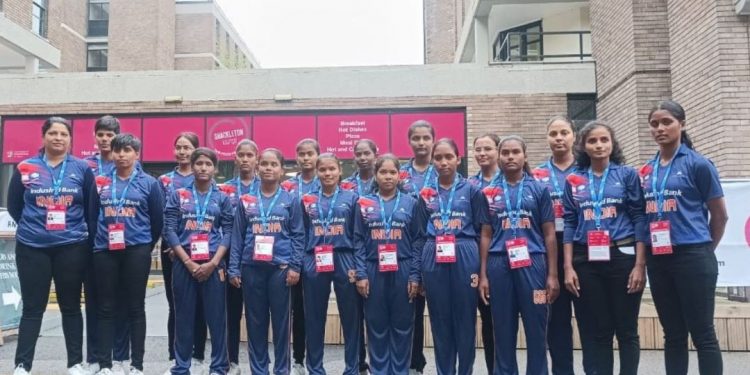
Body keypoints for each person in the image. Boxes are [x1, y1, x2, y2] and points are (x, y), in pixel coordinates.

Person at [641, 100, 727, 375]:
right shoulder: (646, 170)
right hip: (659, 259)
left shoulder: (699, 164)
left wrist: (704, 248)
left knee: (702, 333)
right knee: (673, 334)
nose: (660, 128)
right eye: (654, 124)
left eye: (667, 122)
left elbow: (720, 215)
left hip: (693, 255)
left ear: (682, 124)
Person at [8, 117, 97, 375]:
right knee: (33, 307)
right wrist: (34, 227)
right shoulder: (25, 167)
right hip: (32, 246)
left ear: (70, 139)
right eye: (53, 133)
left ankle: (74, 363)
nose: (58, 138)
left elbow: (90, 208)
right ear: (44, 137)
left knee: (70, 305)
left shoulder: (81, 168)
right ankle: (22, 364)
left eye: (63, 134)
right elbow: (15, 206)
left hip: (71, 246)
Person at [562, 121, 647, 375]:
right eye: (592, 141)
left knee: (626, 330)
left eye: (604, 140)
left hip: (622, 257)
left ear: (612, 144)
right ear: (583, 146)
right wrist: (568, 266)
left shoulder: (627, 175)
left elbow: (640, 218)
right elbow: (569, 221)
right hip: (586, 260)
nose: (598, 145)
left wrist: (640, 265)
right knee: (598, 330)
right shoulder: (574, 179)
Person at [478, 135, 559, 374]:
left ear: (524, 156)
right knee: (502, 329)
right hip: (498, 263)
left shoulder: (539, 189)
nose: (510, 157)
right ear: (499, 157)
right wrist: (482, 275)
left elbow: (550, 234)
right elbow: (484, 234)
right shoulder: (488, 192)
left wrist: (552, 274)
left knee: (536, 327)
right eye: (505, 153)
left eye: (515, 152)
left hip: (533, 263)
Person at [414, 138, 491, 375]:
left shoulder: (473, 190)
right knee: (439, 320)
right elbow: (418, 235)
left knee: (465, 319)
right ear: (432, 161)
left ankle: (465, 371)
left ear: (458, 159)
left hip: (465, 252)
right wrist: (418, 272)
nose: (443, 162)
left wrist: (483, 270)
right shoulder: (425, 194)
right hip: (433, 253)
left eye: (449, 157)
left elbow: (484, 231)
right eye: (438, 158)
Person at [92, 134, 164, 375]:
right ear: (111, 154)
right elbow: (92, 215)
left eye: (127, 150)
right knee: (106, 307)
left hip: (137, 250)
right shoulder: (99, 181)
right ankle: (105, 364)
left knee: (135, 307)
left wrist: (144, 245)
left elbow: (157, 220)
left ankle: (136, 365)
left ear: (137, 154)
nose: (121, 154)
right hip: (105, 250)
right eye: (117, 150)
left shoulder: (149, 183)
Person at [229, 148, 305, 375]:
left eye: (274, 165)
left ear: (282, 170)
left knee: (282, 325)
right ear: (257, 167)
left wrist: (295, 266)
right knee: (255, 323)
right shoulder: (246, 201)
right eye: (264, 164)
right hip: (251, 269)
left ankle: (282, 370)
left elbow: (299, 235)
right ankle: (259, 370)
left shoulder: (292, 200)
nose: (268, 168)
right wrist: (234, 267)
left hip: (280, 270)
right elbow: (237, 235)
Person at [531, 116, 595, 375]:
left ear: (573, 136)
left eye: (564, 132)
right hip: (548, 249)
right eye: (553, 133)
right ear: (547, 138)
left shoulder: (586, 172)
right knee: (555, 322)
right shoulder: (536, 175)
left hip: (581, 248)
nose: (558, 138)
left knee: (589, 319)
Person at [164, 148, 234, 375]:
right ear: (192, 166)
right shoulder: (178, 195)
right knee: (183, 317)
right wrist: (187, 262)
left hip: (213, 265)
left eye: (208, 164)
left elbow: (229, 231)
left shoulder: (222, 197)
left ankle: (218, 366)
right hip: (185, 264)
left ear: (215, 168)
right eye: (199, 163)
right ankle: (182, 365)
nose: (203, 168)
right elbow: (170, 229)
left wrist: (214, 263)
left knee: (216, 319)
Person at [354, 154, 423, 375]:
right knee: (376, 325)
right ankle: (380, 370)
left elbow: (418, 241)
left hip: (402, 268)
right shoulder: (364, 203)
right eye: (383, 172)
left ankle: (400, 371)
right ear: (375, 175)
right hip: (373, 269)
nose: (388, 176)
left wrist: (414, 275)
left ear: (399, 175)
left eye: (392, 172)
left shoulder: (411, 202)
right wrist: (362, 274)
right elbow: (357, 240)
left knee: (403, 325)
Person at [301, 153, 362, 375]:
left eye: (331, 169)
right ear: (317, 173)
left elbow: (358, 234)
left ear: (339, 171)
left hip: (345, 257)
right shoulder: (307, 199)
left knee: (350, 317)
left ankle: (352, 368)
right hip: (315, 258)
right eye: (323, 170)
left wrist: (357, 264)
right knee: (315, 316)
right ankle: (315, 368)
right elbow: (302, 231)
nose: (327, 173)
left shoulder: (352, 197)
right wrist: (304, 262)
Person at [158, 133, 208, 374]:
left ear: (196, 151)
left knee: (200, 305)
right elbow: (161, 216)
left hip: (201, 249)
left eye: (187, 148)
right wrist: (171, 245)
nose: (182, 152)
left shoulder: (205, 177)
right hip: (172, 251)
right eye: (178, 147)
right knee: (176, 305)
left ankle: (198, 355)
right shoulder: (165, 181)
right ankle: (175, 355)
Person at [217, 140, 260, 375]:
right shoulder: (224, 189)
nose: (245, 159)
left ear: (257, 158)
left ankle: (259, 364)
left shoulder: (267, 187)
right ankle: (231, 362)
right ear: (235, 158)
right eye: (241, 155)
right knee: (231, 314)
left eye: (249, 155)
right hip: (231, 257)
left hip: (258, 259)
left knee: (258, 316)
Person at [398, 120, 437, 375]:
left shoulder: (443, 169)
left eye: (426, 138)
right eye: (416, 138)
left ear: (433, 140)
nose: (421, 143)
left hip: (437, 246)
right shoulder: (399, 174)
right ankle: (414, 363)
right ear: (409, 141)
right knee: (412, 308)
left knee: (439, 308)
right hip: (408, 248)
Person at [281, 138, 321, 375]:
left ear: (317, 155)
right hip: (293, 255)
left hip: (317, 255)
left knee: (312, 310)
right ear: (296, 157)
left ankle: (313, 360)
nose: (306, 158)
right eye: (302, 154)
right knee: (293, 309)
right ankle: (296, 361)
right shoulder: (287, 187)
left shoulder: (326, 183)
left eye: (310, 154)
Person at [468, 134, 499, 372]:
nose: (482, 153)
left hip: (507, 256)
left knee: (503, 320)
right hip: (478, 258)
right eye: (478, 149)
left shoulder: (514, 180)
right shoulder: (469, 186)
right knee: (488, 320)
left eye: (487, 148)